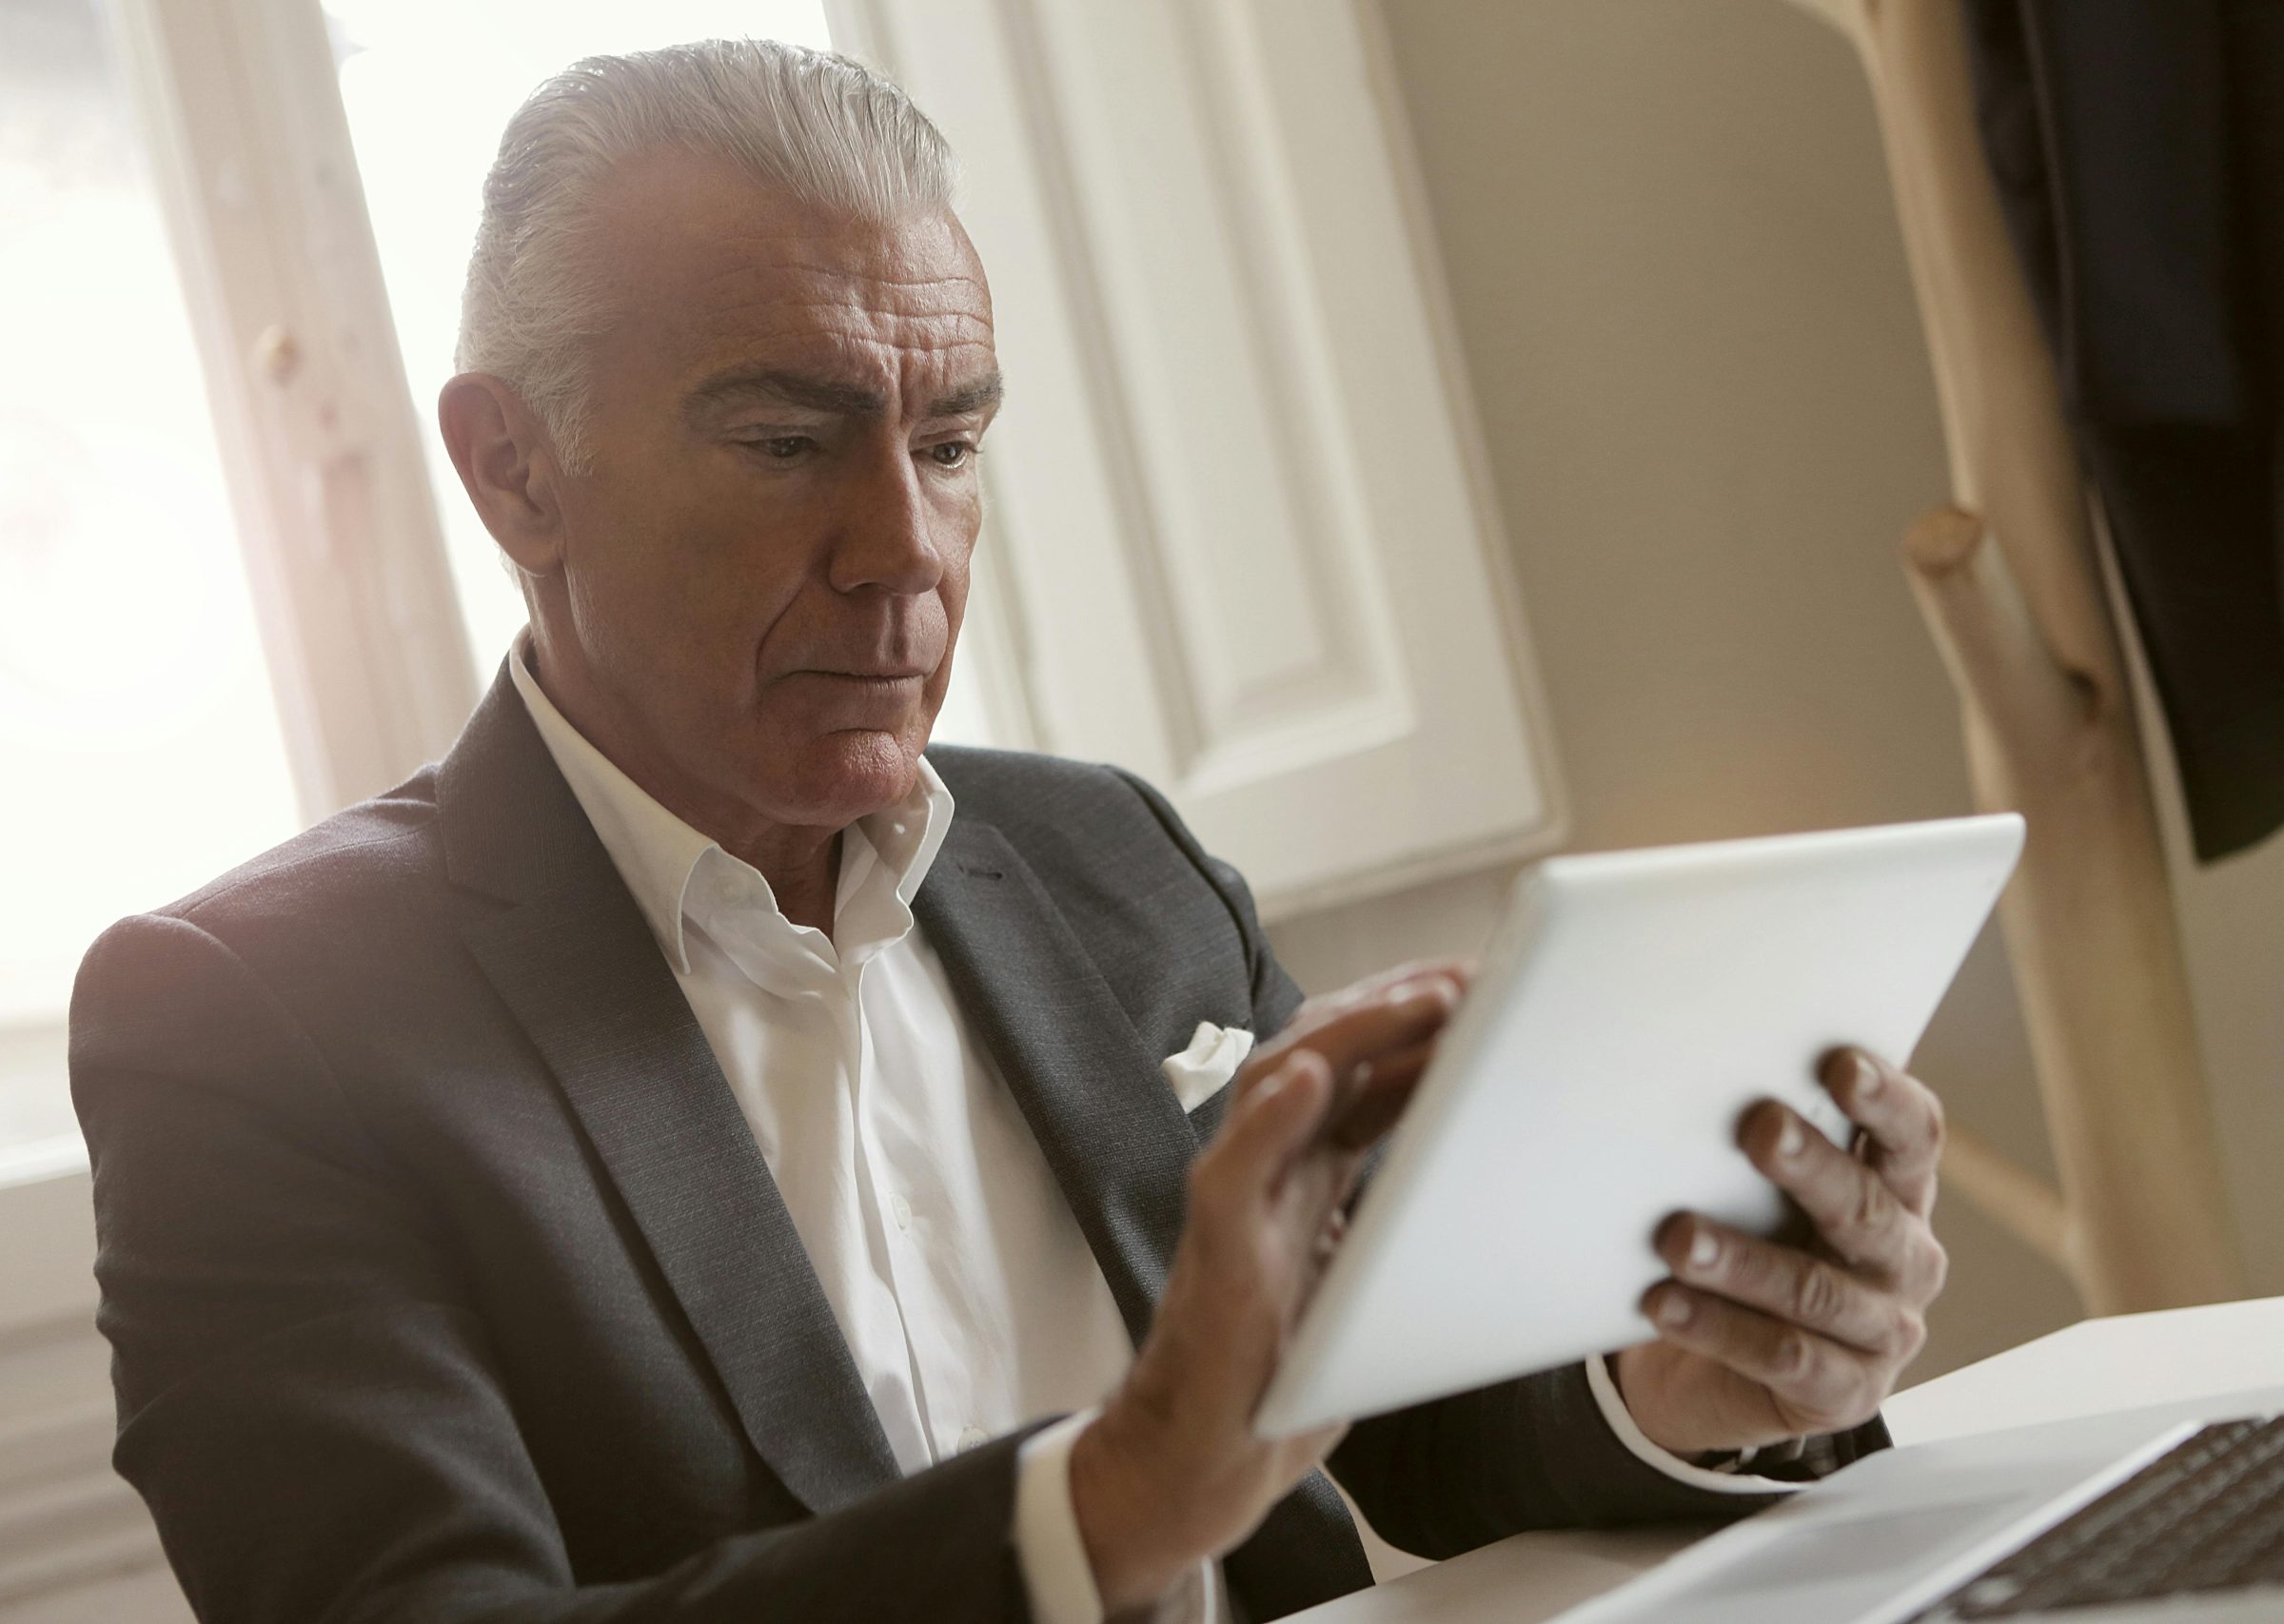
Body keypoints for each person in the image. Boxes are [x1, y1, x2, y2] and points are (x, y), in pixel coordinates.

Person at [70, 40, 1950, 1624]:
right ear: (513, 469)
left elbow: (1420, 1428)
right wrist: (1112, 1503)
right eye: (787, 439)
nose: (903, 546)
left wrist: (1683, 1382)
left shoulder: (1108, 863)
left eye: (950, 441)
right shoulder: (248, 1021)